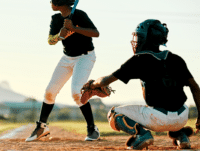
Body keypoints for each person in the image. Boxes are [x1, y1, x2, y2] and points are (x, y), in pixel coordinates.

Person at [82, 19, 200, 149]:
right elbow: (195, 88)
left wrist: (93, 84)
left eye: (139, 36)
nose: (137, 40)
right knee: (170, 107)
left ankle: (142, 134)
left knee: (114, 113)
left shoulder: (140, 59)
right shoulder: (176, 59)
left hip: (158, 118)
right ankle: (181, 136)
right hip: (182, 116)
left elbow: (105, 81)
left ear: (147, 38)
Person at [25, 0, 100, 142]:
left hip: (85, 57)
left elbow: (95, 33)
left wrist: (75, 28)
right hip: (67, 58)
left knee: (76, 92)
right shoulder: (55, 19)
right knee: (50, 91)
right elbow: (50, 41)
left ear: (60, 1)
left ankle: (92, 129)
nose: (50, 2)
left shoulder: (79, 15)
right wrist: (60, 35)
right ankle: (42, 127)